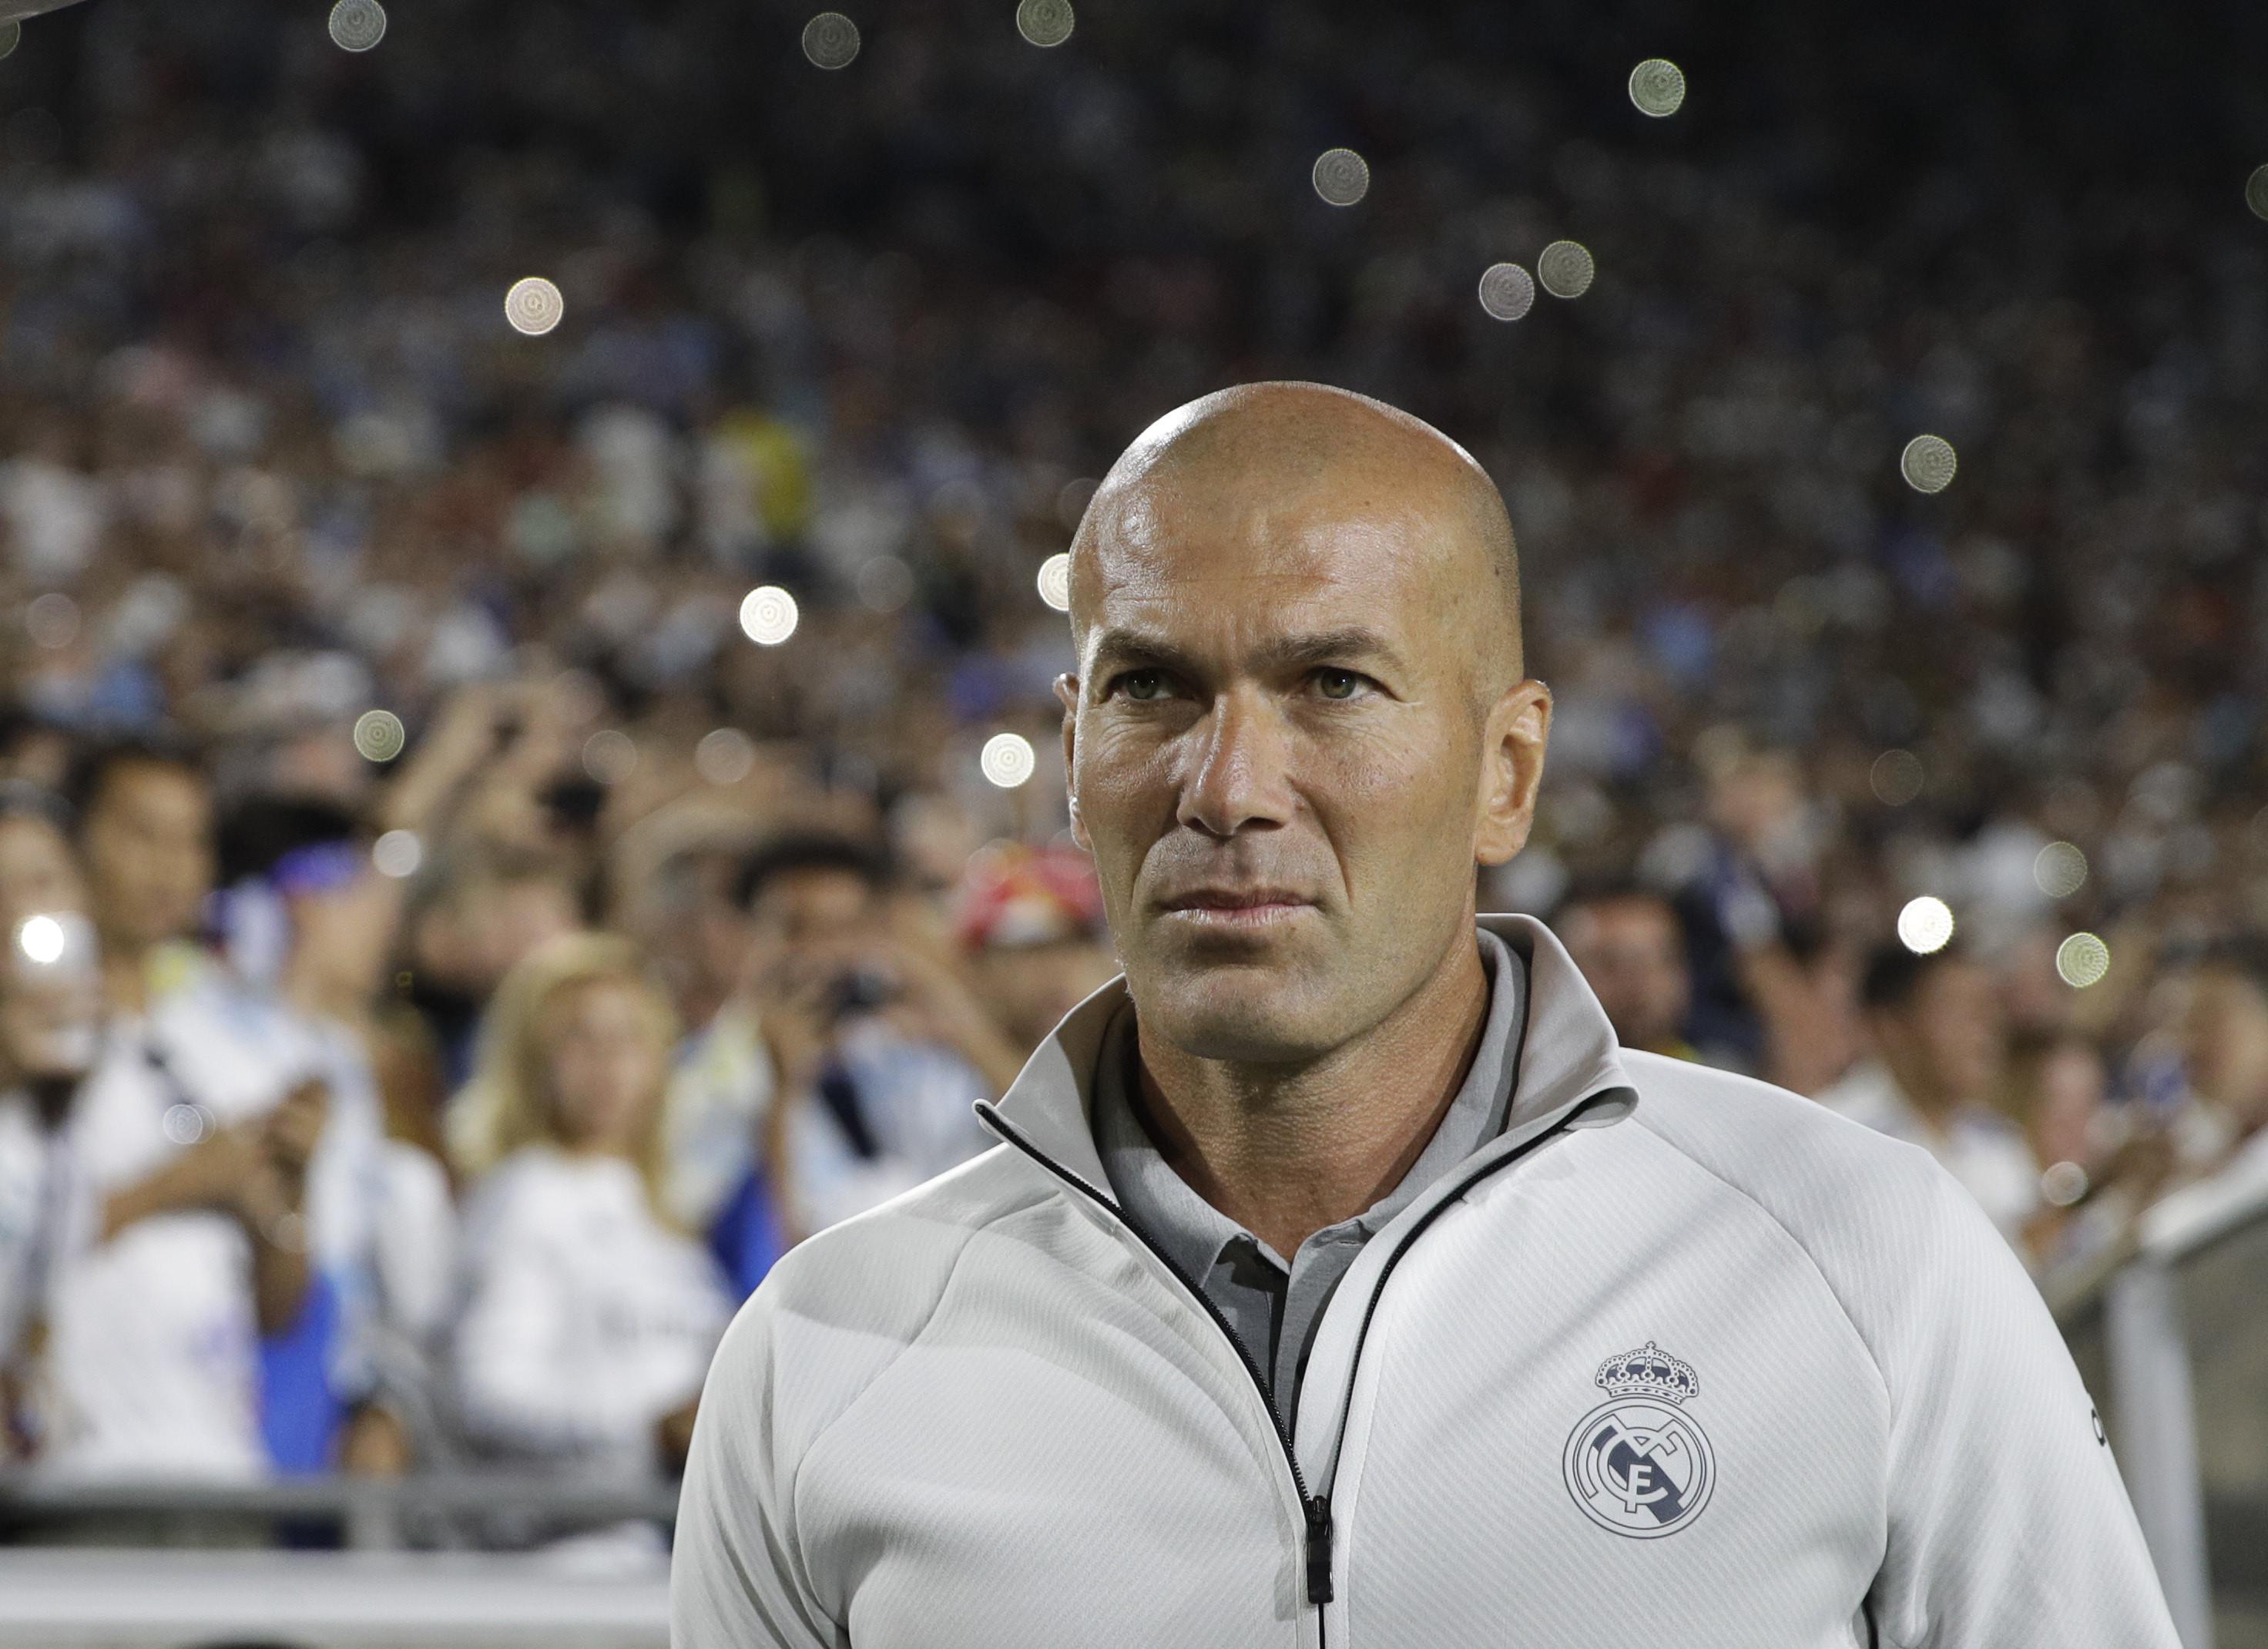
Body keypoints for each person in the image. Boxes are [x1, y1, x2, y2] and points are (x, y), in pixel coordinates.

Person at [674, 381, 2178, 1647]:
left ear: (1504, 771)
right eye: (1149, 689)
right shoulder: (826, 1347)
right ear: (1070, 751)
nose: (1226, 785)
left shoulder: (1858, 1259)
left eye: (1330, 681)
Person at [445, 933, 732, 1482]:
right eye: (579, 1037)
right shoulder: (527, 1195)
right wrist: (646, 1431)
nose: (608, 1063)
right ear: (532, 1060)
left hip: (664, 1535)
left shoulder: (665, 1210)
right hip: (577, 1548)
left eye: (629, 1038)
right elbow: (487, 1396)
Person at [1818, 944, 2043, 1251]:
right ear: (1892, 1026)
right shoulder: (1835, 1132)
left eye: (1989, 1010)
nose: (1985, 1032)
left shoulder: (2000, 1141)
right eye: (1962, 1011)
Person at [1551, 881, 1696, 1060]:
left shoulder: (1721, 1073)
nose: (1639, 984)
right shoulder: (1531, 1082)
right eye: (1610, 963)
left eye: (1658, 960)